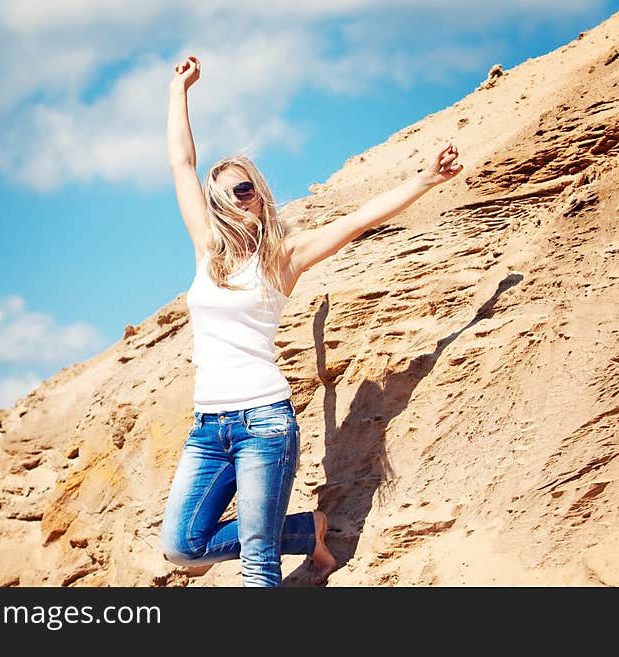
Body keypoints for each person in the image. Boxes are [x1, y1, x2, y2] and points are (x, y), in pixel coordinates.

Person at [159, 55, 463, 587]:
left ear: (258, 195)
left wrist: (425, 179)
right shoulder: (207, 250)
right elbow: (182, 164)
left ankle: (288, 541)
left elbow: (358, 220)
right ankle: (307, 531)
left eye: (244, 188)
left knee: (257, 559)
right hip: (208, 426)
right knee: (184, 547)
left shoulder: (284, 257)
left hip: (264, 423)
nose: (234, 200)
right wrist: (177, 90)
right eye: (224, 194)